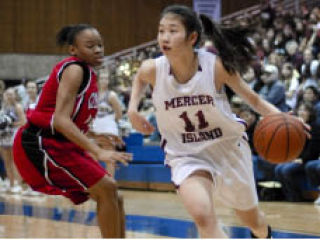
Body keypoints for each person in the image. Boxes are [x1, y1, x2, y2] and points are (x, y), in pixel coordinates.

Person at [128, 5, 283, 238]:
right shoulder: (153, 69)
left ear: (192, 37)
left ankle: (264, 234)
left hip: (228, 149)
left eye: (172, 31)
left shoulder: (215, 67)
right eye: (161, 31)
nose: (164, 38)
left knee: (253, 220)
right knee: (202, 215)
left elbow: (254, 100)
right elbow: (139, 78)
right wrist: (132, 109)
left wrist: (283, 119)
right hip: (186, 153)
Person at [12, 24, 132, 238]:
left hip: (59, 142)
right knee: (107, 189)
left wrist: (94, 135)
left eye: (100, 45)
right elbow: (59, 120)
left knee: (113, 193)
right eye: (90, 46)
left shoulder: (88, 74)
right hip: (41, 142)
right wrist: (98, 150)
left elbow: (67, 118)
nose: (98, 50)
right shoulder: (75, 69)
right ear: (73, 50)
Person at [275, 102, 320, 202]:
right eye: (300, 110)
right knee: (278, 169)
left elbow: (314, 149)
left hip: (308, 159)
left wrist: (301, 159)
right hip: (297, 158)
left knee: (286, 170)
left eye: (305, 110)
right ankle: (288, 195)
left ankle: (297, 197)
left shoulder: (315, 127)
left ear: (310, 113)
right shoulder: (295, 126)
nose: (301, 112)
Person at [88, 71, 125, 176]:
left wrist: (110, 123)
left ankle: (110, 183)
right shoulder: (93, 95)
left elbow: (119, 114)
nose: (105, 81)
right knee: (92, 156)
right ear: (98, 80)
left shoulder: (112, 95)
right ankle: (96, 185)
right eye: (103, 78)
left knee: (109, 158)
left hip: (108, 131)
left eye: (107, 78)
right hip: (95, 130)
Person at [0, 88, 26, 193]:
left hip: (13, 137)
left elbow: (23, 122)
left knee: (15, 162)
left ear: (15, 96)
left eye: (11, 94)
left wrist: (11, 124)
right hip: (3, 137)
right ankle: (11, 184)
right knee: (7, 162)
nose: (9, 96)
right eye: (7, 94)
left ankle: (18, 184)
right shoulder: (3, 107)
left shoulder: (18, 107)